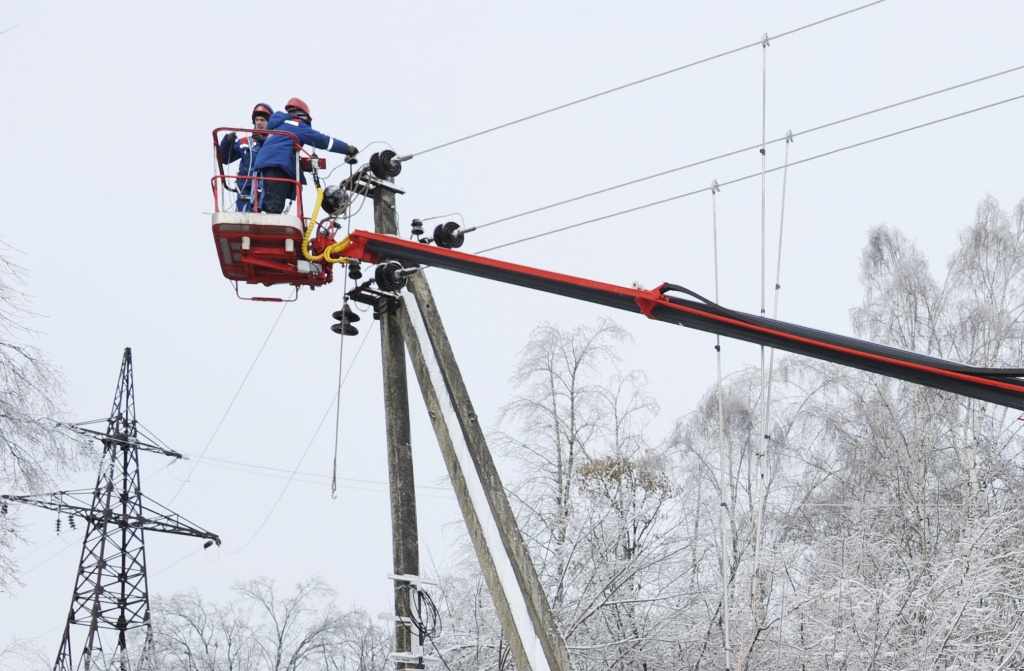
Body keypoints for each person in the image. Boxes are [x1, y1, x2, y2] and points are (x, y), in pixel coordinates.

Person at [253, 97, 358, 214]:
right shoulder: (298, 125)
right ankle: (271, 221)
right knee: (274, 206)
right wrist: (347, 148)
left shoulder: (278, 124)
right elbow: (324, 141)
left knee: (266, 198)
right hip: (279, 165)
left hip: (263, 165)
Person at [219, 103, 273, 212]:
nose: (259, 123)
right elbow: (225, 159)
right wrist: (227, 142)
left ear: (269, 123)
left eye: (262, 120)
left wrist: (264, 144)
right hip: (245, 185)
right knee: (243, 213)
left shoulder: (275, 141)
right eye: (257, 120)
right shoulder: (245, 141)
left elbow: (278, 158)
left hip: (266, 186)